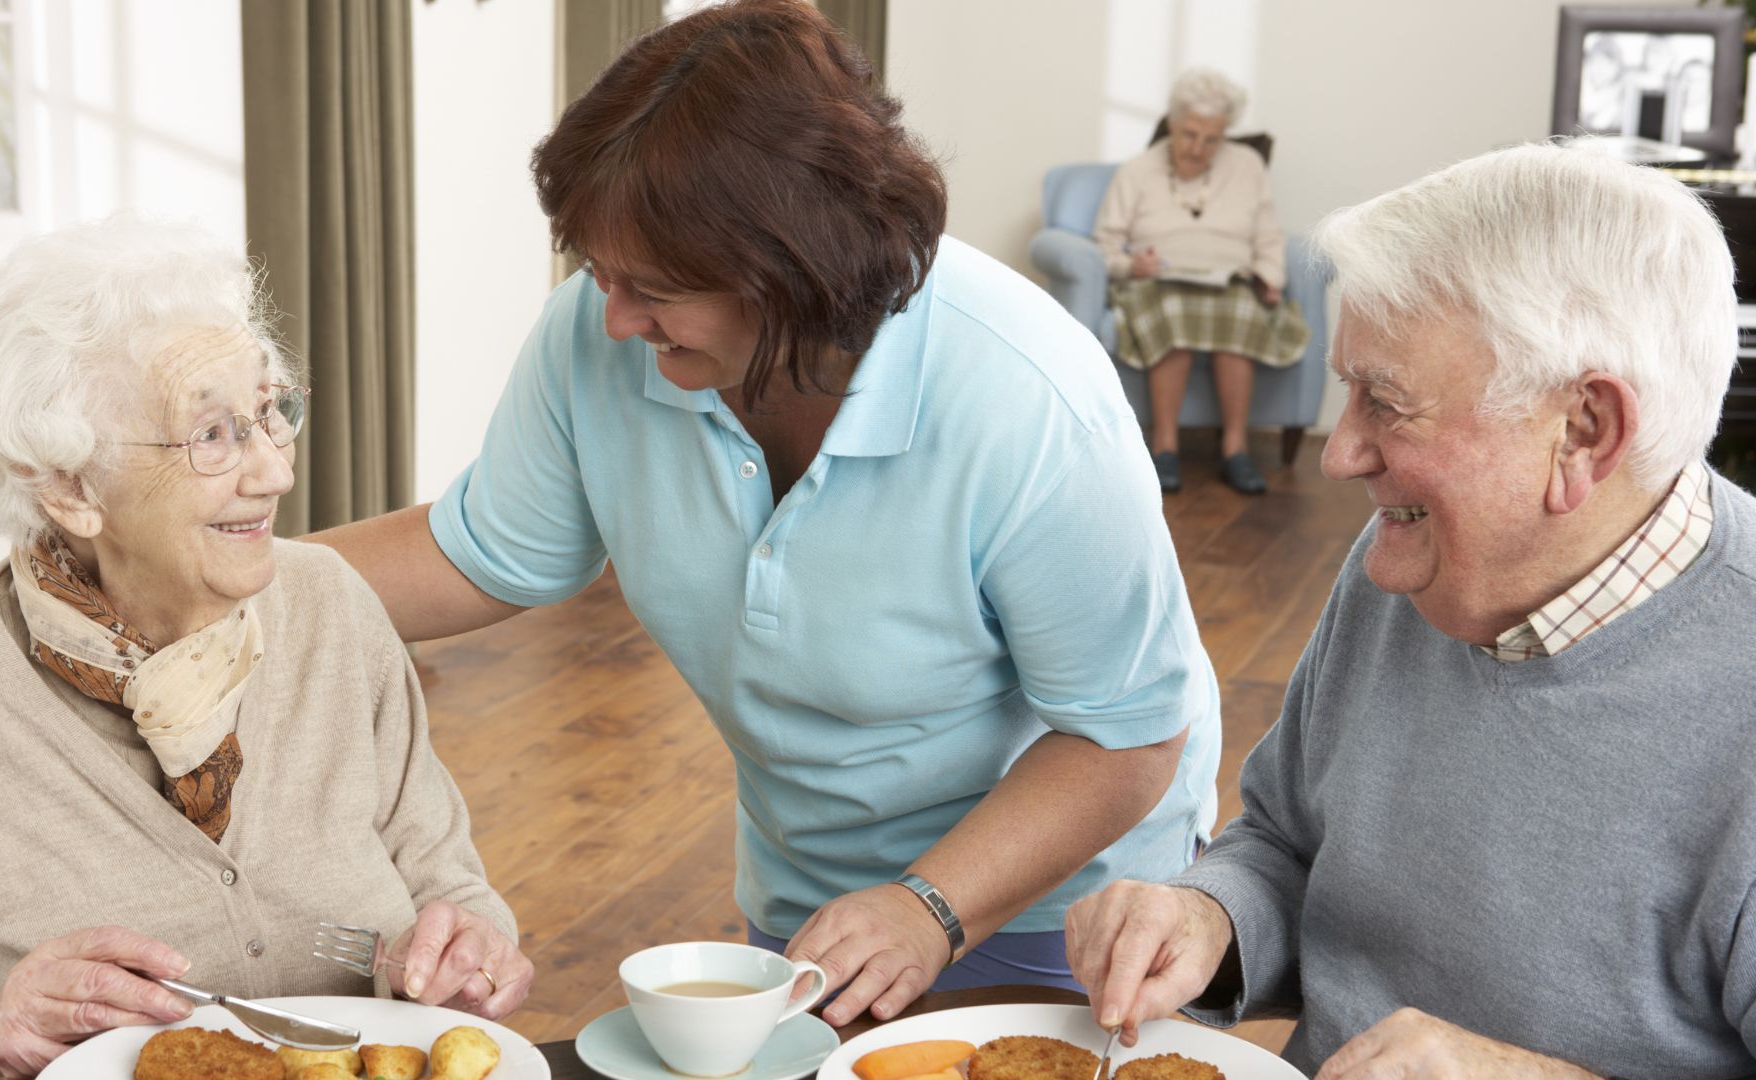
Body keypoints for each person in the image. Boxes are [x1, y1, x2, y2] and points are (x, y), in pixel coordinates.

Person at [315, 0, 1219, 1029]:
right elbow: (478, 553)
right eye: (600, 275)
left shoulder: (1028, 399)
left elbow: (1127, 738)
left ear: (796, 272)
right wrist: (219, 579)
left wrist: (932, 906)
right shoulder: (605, 337)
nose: (613, 317)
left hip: (1064, 900)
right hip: (814, 893)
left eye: (652, 287)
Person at [1065, 143, 1756, 1077]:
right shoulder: (1415, 556)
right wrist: (1210, 915)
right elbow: (1283, 841)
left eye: (1384, 404)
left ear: (1583, 431)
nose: (1338, 454)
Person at [0, 217, 531, 1080]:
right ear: (66, 483)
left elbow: (449, 884)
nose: (274, 470)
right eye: (211, 434)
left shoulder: (333, 609)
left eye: (270, 412)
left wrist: (470, 947)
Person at [1093, 68, 1309, 496]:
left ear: (1225, 133)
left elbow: (1268, 233)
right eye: (1189, 134)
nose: (1198, 148)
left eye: (1212, 139)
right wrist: (1130, 266)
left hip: (1229, 280)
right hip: (1157, 282)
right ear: (1172, 124)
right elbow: (1105, 244)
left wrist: (1270, 277)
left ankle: (1235, 450)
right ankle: (1165, 447)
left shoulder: (1246, 166)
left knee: (1242, 312)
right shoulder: (1136, 171)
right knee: (1172, 312)